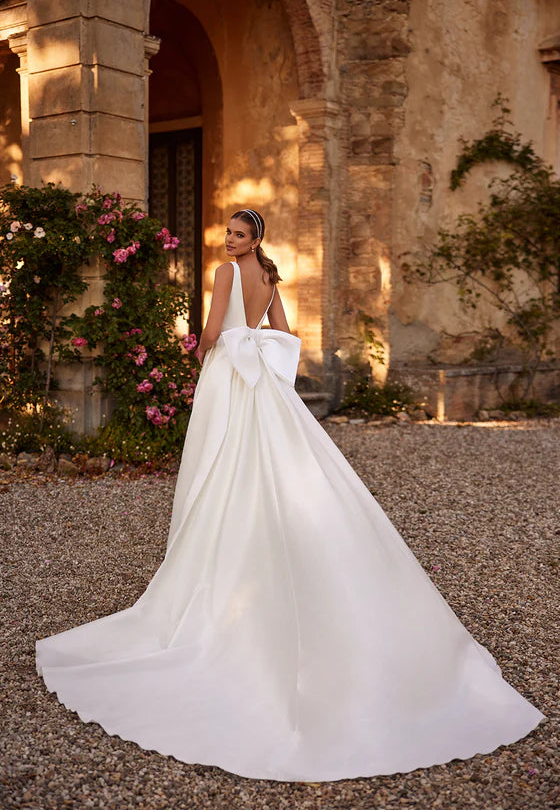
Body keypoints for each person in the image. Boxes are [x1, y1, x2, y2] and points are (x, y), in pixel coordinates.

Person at [36, 208, 545, 783]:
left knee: (221, 462)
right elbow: (281, 333)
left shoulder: (224, 275)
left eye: (238, 234)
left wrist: (198, 352)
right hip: (261, 383)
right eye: (227, 233)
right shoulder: (269, 276)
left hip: (229, 377)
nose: (228, 241)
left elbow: (208, 336)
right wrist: (254, 344)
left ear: (254, 239)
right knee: (273, 459)